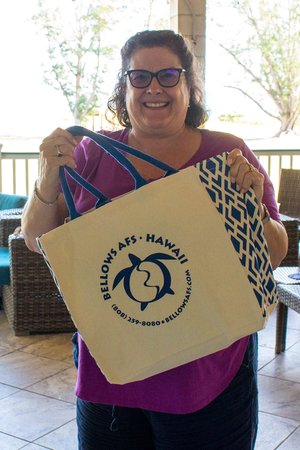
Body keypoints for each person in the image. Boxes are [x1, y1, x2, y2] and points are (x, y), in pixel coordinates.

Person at [22, 30, 288, 450]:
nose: (154, 88)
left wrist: (251, 206)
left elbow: (272, 253)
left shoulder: (227, 154)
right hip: (111, 369)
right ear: (124, 87)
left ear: (188, 86)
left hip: (208, 372)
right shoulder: (90, 152)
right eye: (140, 77)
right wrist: (47, 179)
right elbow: (38, 240)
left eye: (168, 75)